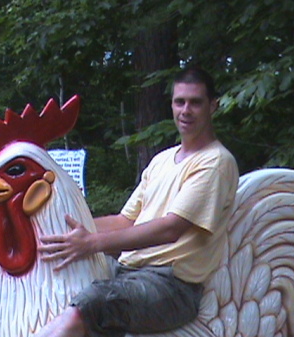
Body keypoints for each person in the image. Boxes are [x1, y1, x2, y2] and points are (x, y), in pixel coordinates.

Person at [36, 67, 239, 337]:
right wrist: (60, 231)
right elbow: (124, 221)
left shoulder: (215, 161)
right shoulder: (162, 160)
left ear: (212, 106)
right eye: (180, 102)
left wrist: (92, 244)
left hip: (172, 286)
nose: (186, 110)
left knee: (92, 303)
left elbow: (171, 229)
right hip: (128, 272)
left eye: (196, 102)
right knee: (59, 286)